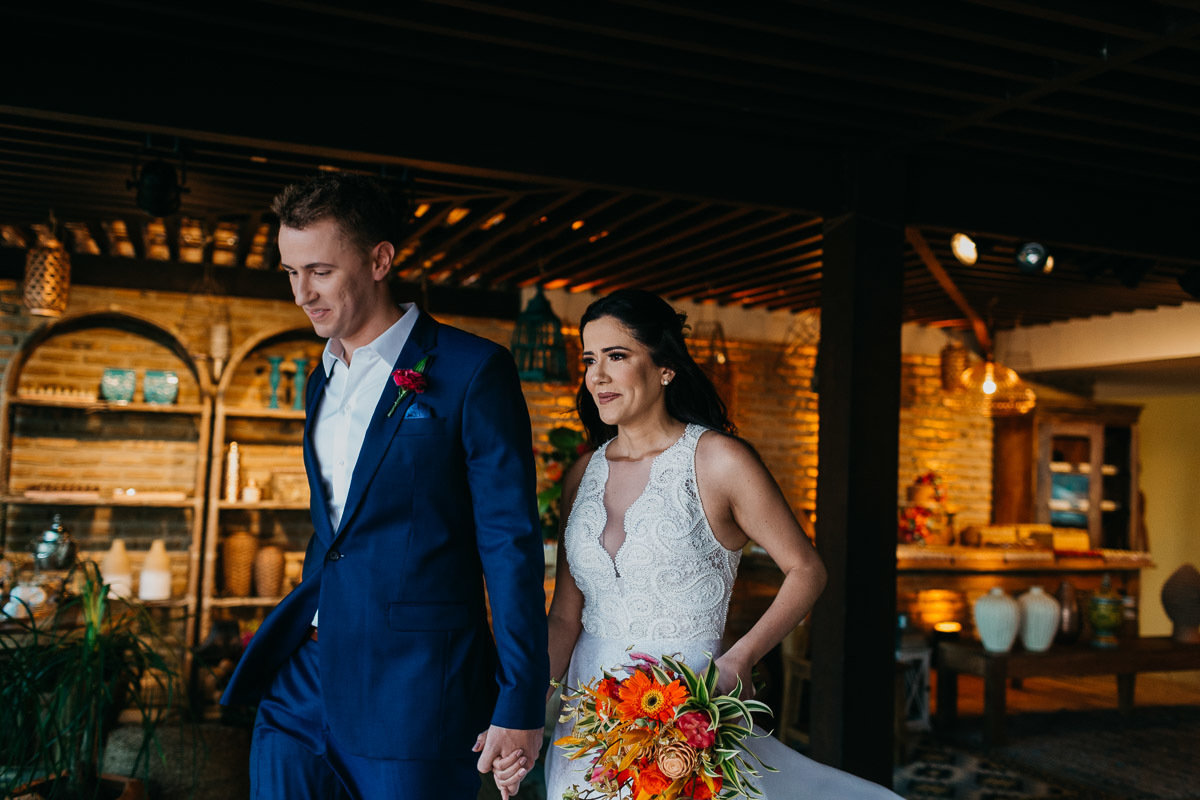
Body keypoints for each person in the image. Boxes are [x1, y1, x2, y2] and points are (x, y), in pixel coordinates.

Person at [495, 289, 900, 799]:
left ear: (665, 367)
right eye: (589, 360)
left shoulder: (718, 461)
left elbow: (807, 569)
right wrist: (523, 714)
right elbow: (563, 618)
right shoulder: (583, 473)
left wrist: (740, 657)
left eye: (616, 356)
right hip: (588, 719)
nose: (597, 376)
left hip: (688, 712)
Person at [221, 173, 548, 800]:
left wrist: (520, 700)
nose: (301, 294)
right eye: (291, 273)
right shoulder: (321, 380)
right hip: (304, 678)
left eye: (319, 271)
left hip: (416, 688)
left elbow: (509, 544)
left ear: (379, 260)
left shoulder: (473, 370)